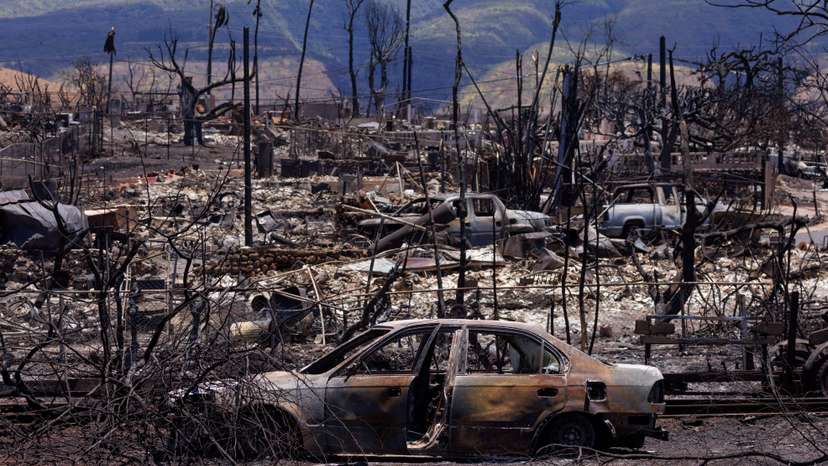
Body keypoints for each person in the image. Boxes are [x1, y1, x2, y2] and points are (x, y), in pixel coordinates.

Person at [179, 77, 203, 146]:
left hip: (193, 113)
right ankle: (188, 142)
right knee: (188, 129)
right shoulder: (183, 93)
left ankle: (197, 141)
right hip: (187, 113)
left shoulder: (193, 92)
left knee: (195, 128)